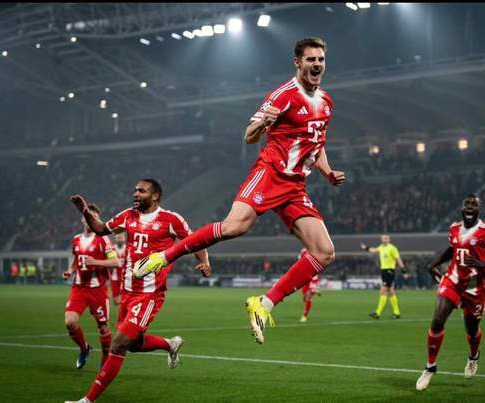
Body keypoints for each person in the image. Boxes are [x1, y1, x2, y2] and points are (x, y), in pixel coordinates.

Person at [133, 37, 345, 345]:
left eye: (321, 59)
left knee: (325, 252)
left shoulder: (326, 102)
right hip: (270, 174)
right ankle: (163, 257)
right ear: (298, 63)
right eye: (311, 59)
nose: (317, 64)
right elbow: (248, 136)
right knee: (235, 227)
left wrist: (327, 172)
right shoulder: (282, 95)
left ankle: (264, 304)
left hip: (295, 185)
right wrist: (262, 124)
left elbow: (317, 144)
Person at [65, 179, 211, 403]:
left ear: (155, 196)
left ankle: (87, 400)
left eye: (141, 191)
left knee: (119, 344)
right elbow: (101, 229)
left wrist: (205, 262)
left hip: (149, 294)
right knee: (132, 345)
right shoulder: (128, 215)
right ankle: (170, 344)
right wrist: (84, 210)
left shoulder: (170, 220)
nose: (135, 194)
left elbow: (195, 241)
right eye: (135, 190)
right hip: (128, 292)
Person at [416, 194, 485, 391]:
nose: (469, 207)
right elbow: (453, 249)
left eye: (474, 205)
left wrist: (481, 264)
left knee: (471, 329)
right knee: (437, 321)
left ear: (479, 209)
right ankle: (430, 367)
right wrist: (433, 264)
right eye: (466, 204)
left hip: (476, 289)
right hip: (453, 281)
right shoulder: (454, 228)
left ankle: (474, 356)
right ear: (461, 208)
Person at [63, 203, 120, 369]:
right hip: (79, 288)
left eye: (94, 217)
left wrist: (96, 261)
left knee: (103, 327)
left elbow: (115, 262)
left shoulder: (103, 239)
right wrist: (70, 270)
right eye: (87, 216)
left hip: (97, 290)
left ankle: (105, 357)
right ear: (83, 219)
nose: (90, 219)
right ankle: (84, 349)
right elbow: (76, 259)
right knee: (70, 322)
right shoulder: (76, 239)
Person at [360, 234, 406, 319]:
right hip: (384, 271)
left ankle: (378, 313)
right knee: (391, 291)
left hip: (389, 271)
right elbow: (374, 250)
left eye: (386, 238)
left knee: (383, 291)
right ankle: (397, 313)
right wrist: (365, 248)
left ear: (389, 239)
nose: (384, 239)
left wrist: (404, 271)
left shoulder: (392, 248)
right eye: (383, 238)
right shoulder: (381, 247)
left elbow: (398, 259)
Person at [298, 248, 320, 322]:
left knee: (308, 297)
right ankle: (314, 291)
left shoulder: (314, 252)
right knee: (304, 298)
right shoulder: (303, 251)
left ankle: (305, 316)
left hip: (313, 278)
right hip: (306, 279)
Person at [110, 233, 127, 305]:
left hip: (125, 277)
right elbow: (109, 262)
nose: (119, 240)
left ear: (124, 239)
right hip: (115, 277)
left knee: (125, 298)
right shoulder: (111, 250)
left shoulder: (128, 248)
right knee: (116, 301)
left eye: (121, 238)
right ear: (115, 239)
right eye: (118, 238)